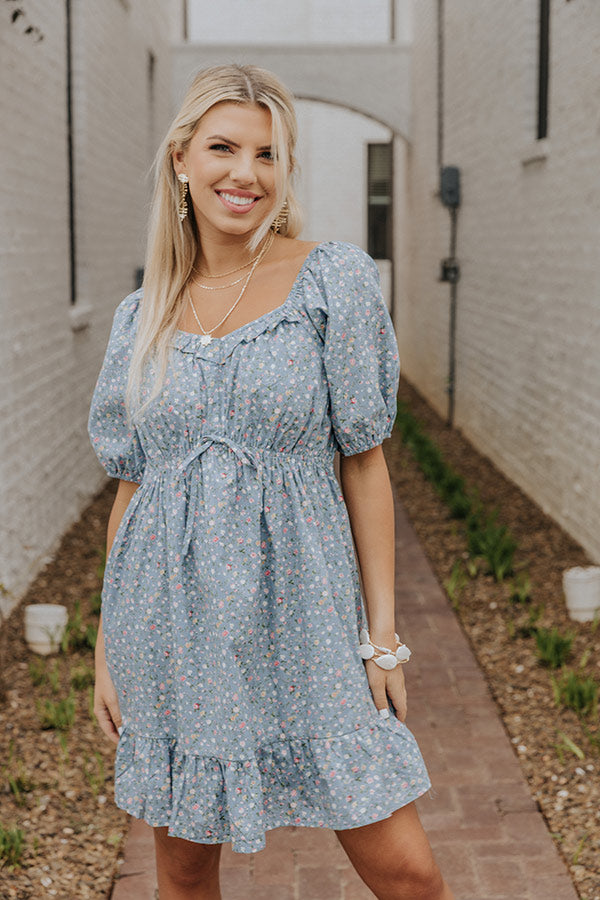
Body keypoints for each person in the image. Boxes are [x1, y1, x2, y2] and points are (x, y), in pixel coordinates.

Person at [88, 64, 454, 900]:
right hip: (173, 630)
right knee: (183, 873)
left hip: (309, 624)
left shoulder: (332, 279)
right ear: (182, 158)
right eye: (223, 147)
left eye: (267, 154)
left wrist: (383, 637)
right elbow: (132, 486)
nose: (244, 173)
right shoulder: (138, 317)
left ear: (286, 172)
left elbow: (364, 461)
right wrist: (109, 646)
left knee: (407, 875)